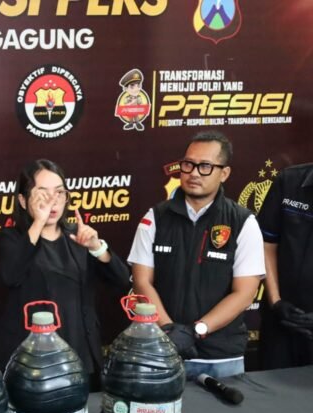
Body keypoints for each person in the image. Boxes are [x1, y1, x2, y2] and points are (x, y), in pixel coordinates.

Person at [128, 130, 264, 379]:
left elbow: (245, 293)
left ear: (224, 173)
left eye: (205, 166)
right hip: (161, 352)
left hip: (222, 358)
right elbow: (141, 281)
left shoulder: (243, 222)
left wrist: (196, 330)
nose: (193, 173)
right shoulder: (154, 217)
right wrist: (168, 331)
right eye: (188, 164)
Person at [0, 159, 130, 389]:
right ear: (23, 200)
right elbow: (11, 275)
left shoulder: (79, 236)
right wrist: (39, 222)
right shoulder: (12, 238)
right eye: (42, 194)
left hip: (82, 355)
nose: (52, 201)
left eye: (59, 193)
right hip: (34, 363)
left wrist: (97, 248)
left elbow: (122, 280)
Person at [256, 162, 313, 368]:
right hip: (281, 320)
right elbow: (266, 243)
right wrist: (276, 302)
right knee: (271, 385)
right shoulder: (289, 180)